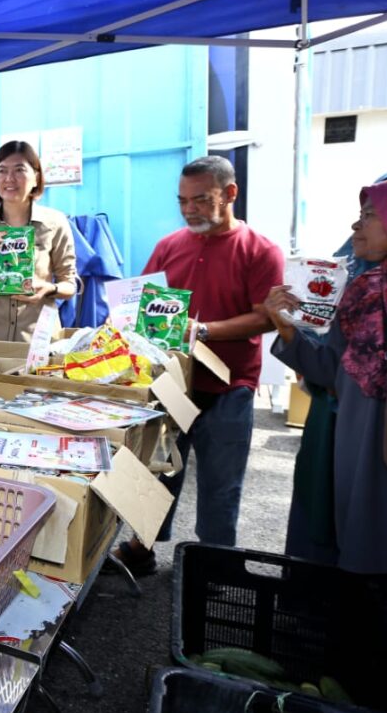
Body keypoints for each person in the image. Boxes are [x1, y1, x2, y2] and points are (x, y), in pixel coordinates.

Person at [113, 155, 284, 575]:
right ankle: (142, 547)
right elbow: (141, 306)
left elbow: (265, 317)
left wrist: (202, 330)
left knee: (221, 483)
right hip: (170, 383)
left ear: (230, 194)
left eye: (201, 200)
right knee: (156, 471)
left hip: (231, 385)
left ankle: (217, 565)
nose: (190, 209)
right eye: (183, 200)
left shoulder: (261, 250)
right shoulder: (169, 246)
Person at [265, 174, 387, 616]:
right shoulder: (362, 293)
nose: (356, 228)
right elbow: (330, 370)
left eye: (370, 217)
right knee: (365, 574)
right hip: (356, 456)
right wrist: (285, 329)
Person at [0, 142, 77, 341]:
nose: (9, 178)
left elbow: (70, 284)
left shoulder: (55, 223)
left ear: (36, 177)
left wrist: (50, 288)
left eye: (19, 170)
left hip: (38, 340)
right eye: (2, 171)